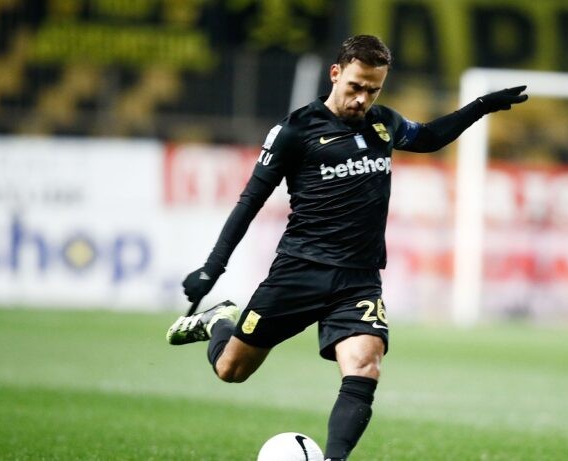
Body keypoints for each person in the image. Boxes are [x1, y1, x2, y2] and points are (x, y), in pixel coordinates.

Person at [166, 34, 527, 461]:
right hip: (300, 270)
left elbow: (428, 137)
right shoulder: (294, 131)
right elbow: (250, 202)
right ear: (335, 73)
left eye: (373, 90)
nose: (362, 99)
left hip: (358, 279)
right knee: (232, 370)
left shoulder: (384, 123)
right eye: (356, 86)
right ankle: (219, 321)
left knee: (365, 365)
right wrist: (213, 267)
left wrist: (481, 105)